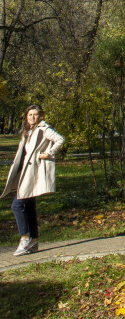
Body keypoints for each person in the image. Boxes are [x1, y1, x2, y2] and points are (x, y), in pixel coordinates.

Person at [2, 104, 65, 256]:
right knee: (29, 207)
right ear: (26, 116)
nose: (32, 117)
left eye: (35, 115)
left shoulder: (44, 129)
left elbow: (60, 140)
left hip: (32, 174)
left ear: (40, 116)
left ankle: (24, 240)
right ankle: (34, 242)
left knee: (17, 205)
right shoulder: (29, 131)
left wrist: (48, 153)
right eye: (30, 115)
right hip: (25, 172)